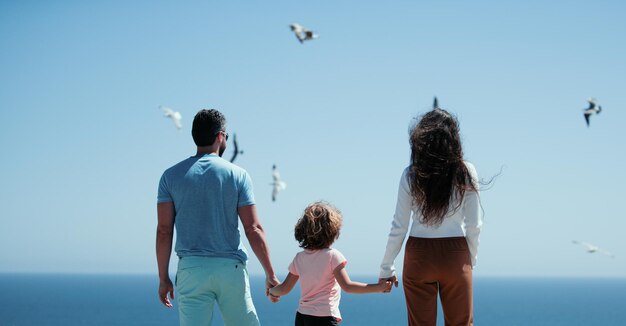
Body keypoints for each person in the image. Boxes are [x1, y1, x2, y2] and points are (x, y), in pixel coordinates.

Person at [156, 109, 279, 326]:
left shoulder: (170, 176)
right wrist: (270, 273)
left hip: (191, 270)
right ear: (220, 136)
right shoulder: (238, 175)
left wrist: (163, 278)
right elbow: (253, 228)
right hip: (230, 269)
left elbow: (164, 231)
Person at [379, 108, 483, 326]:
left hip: (419, 255)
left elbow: (399, 225)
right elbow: (474, 226)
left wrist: (387, 267)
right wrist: (468, 260)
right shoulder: (466, 171)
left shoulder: (411, 174)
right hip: (456, 253)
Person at [269, 201, 392, 325]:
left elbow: (284, 289)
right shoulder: (333, 256)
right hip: (324, 317)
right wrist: (379, 287)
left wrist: (272, 292)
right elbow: (348, 286)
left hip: (302, 317)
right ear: (332, 232)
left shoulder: (299, 258)